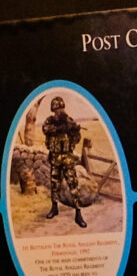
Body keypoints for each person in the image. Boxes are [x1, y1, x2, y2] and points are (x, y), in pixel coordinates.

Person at [42, 95, 87, 229]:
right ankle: (54, 208)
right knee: (54, 183)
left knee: (73, 184)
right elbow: (45, 129)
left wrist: (73, 131)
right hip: (55, 157)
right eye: (56, 110)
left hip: (67, 158)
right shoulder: (49, 121)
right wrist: (58, 129)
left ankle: (78, 214)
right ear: (52, 110)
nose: (59, 112)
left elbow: (77, 139)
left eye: (61, 109)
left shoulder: (69, 121)